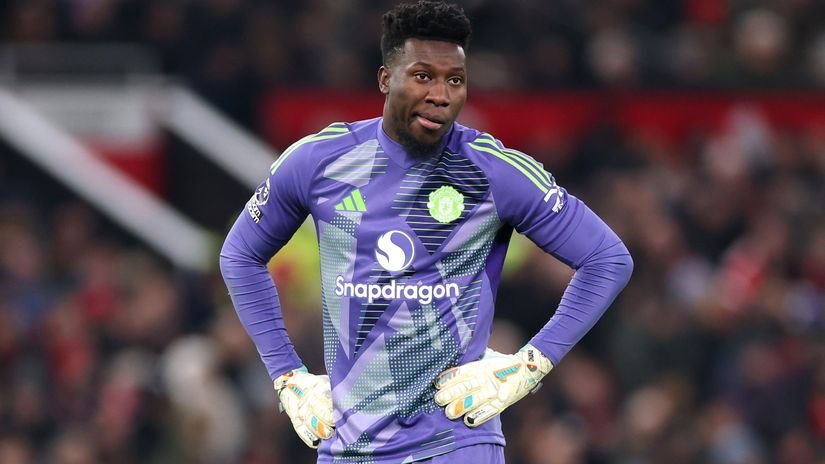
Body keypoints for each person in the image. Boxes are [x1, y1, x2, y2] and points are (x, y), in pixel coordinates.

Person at [219, 1, 633, 462]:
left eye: (454, 80)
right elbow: (239, 255)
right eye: (422, 76)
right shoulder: (318, 162)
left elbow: (608, 259)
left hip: (455, 441)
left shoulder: (493, 171)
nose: (441, 94)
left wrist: (530, 365)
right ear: (385, 79)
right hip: (347, 446)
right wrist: (287, 376)